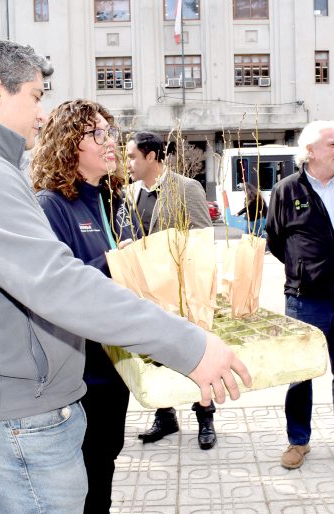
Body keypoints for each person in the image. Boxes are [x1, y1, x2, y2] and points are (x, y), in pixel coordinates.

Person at [0, 38, 250, 513]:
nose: (40, 112)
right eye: (35, 95)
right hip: (21, 416)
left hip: (33, 406)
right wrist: (189, 346)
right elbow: (59, 284)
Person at [31, 99, 137, 513]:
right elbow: (56, 290)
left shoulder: (115, 200)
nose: (110, 141)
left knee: (105, 462)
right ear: (68, 143)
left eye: (111, 132)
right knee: (83, 479)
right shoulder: (50, 206)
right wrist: (114, 262)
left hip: (117, 366)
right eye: (97, 133)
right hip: (80, 376)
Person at [264, 120, 334, 471]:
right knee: (299, 373)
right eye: (333, 144)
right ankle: (298, 441)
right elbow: (277, 241)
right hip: (305, 298)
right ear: (310, 151)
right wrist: (306, 267)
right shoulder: (286, 190)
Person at [125, 131, 217, 450]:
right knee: (154, 357)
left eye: (132, 156)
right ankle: (165, 416)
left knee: (194, 355)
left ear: (151, 157)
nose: (128, 163)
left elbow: (202, 238)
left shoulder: (186, 188)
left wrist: (157, 251)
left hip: (183, 292)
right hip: (145, 294)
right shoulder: (129, 194)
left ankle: (205, 416)